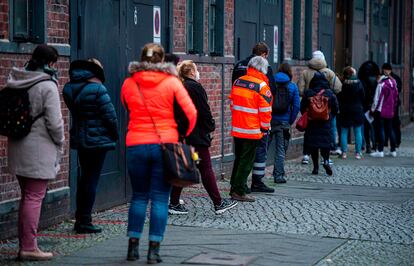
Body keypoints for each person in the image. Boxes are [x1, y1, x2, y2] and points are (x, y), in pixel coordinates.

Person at [121, 43, 197, 263]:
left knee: (139, 197)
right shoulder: (172, 82)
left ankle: (132, 247)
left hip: (136, 143)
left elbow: (126, 106)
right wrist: (180, 133)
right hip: (165, 145)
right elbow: (191, 113)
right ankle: (153, 250)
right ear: (163, 60)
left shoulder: (129, 83)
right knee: (160, 199)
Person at [3, 44, 64, 260]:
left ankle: (26, 244)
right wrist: (61, 142)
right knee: (34, 196)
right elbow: (55, 123)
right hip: (39, 148)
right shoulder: (47, 85)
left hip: (18, 145)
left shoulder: (18, 79)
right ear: (50, 63)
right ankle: (29, 247)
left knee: (27, 196)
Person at [168, 60, 238, 215]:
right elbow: (204, 111)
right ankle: (218, 203)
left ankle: (173, 203)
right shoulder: (195, 88)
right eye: (196, 69)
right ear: (192, 72)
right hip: (195, 136)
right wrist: (210, 126)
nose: (198, 72)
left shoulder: (180, 86)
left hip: (183, 135)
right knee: (206, 168)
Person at [63, 59, 119, 234]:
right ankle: (84, 221)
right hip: (98, 140)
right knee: (91, 179)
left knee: (84, 178)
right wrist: (114, 134)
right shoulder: (98, 89)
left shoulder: (69, 88)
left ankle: (81, 218)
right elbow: (110, 116)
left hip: (81, 139)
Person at [232, 42, 277, 192]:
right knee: (248, 159)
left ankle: (235, 185)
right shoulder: (262, 85)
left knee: (239, 158)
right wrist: (265, 128)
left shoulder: (238, 80)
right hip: (253, 128)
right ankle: (242, 188)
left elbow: (233, 103)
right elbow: (266, 109)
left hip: (238, 126)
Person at [299, 51, 342, 163]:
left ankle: (306, 155)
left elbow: (300, 90)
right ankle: (326, 157)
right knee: (327, 132)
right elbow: (338, 88)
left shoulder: (305, 72)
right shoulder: (329, 72)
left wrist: (309, 98)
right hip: (326, 111)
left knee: (310, 134)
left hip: (310, 110)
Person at [300, 71, 338, 176]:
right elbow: (336, 108)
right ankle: (326, 161)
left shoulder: (308, 93)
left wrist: (309, 114)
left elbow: (302, 107)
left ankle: (315, 168)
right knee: (325, 144)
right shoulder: (329, 93)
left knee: (313, 146)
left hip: (312, 124)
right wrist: (329, 117)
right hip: (325, 123)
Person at [270, 63, 300, 183]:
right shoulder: (292, 87)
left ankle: (258, 176)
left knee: (263, 148)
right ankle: (278, 176)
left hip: (270, 120)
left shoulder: (270, 83)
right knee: (281, 149)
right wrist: (290, 120)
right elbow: (296, 106)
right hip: (284, 122)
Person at [337, 67, 365, 160]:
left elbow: (339, 97)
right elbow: (363, 96)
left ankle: (344, 153)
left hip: (345, 110)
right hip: (357, 109)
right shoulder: (359, 84)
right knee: (358, 131)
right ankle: (358, 153)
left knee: (344, 131)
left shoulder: (343, 84)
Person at [370, 71, 399, 158]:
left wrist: (372, 109)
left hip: (381, 110)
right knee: (390, 129)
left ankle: (380, 150)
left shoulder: (381, 85)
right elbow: (396, 97)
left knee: (381, 129)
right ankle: (393, 150)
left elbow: (376, 99)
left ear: (380, 76)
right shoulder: (393, 83)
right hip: (390, 110)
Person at [358, 61, 381, 153]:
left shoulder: (361, 80)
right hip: (373, 105)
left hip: (364, 105)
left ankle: (367, 145)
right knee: (373, 126)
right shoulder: (376, 81)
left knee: (366, 126)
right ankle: (374, 144)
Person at [382, 63, 402, 149]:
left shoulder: (395, 78)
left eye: (386, 69)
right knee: (387, 124)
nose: (385, 71)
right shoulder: (382, 78)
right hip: (387, 105)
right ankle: (386, 141)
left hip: (393, 105)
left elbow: (399, 89)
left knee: (394, 123)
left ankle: (396, 141)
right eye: (384, 69)